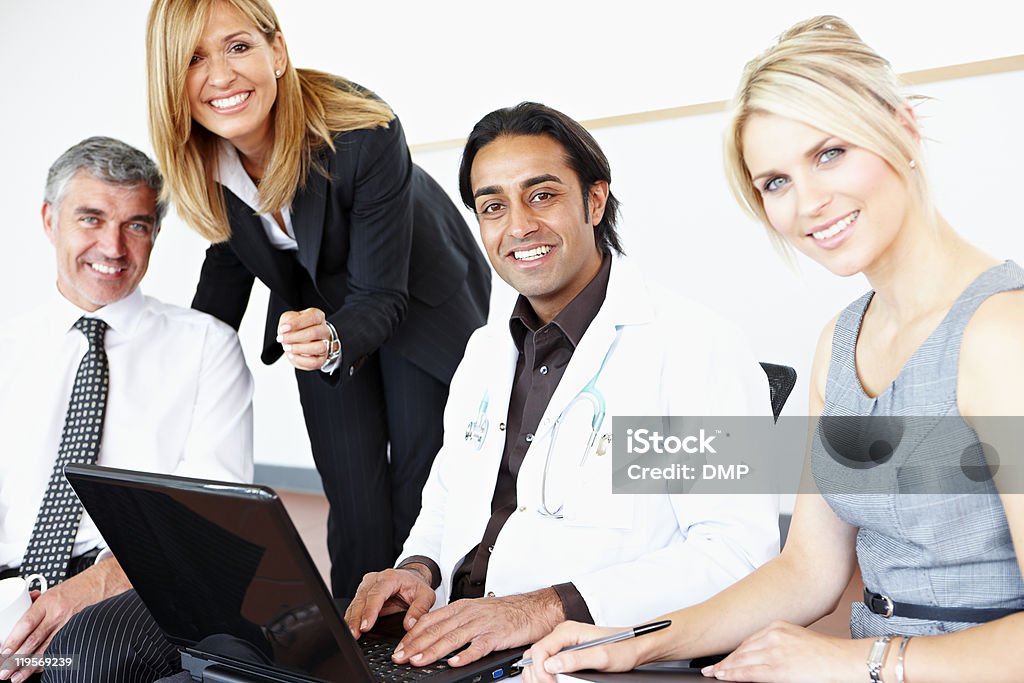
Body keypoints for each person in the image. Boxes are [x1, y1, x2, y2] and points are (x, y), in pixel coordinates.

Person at [522, 16, 1024, 683]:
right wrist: (636, 640)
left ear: (903, 128)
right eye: (776, 182)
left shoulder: (997, 331)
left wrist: (856, 661)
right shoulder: (840, 341)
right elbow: (807, 570)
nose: (809, 202)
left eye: (829, 153)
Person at [343, 102, 779, 671]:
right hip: (457, 649)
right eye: (493, 206)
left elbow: (735, 556)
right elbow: (449, 498)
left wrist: (545, 608)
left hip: (584, 657)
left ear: (594, 201)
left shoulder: (690, 348)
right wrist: (418, 569)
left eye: (542, 195)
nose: (519, 225)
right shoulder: (484, 351)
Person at [145, 0, 491, 600]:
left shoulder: (362, 130)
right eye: (195, 58)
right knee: (352, 492)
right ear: (173, 79)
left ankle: (429, 628)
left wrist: (330, 336)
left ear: (276, 51)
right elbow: (232, 259)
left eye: (238, 47)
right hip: (320, 305)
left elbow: (381, 293)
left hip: (417, 292)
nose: (221, 75)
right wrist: (181, 362)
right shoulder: (205, 155)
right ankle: (356, 636)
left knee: (420, 479)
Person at [0, 136, 253, 683]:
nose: (112, 248)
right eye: (90, 219)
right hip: (12, 575)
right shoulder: (6, 350)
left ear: (155, 235)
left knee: (79, 659)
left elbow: (211, 518)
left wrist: (90, 587)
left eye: (135, 225)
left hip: (134, 576)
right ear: (50, 220)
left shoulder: (206, 346)